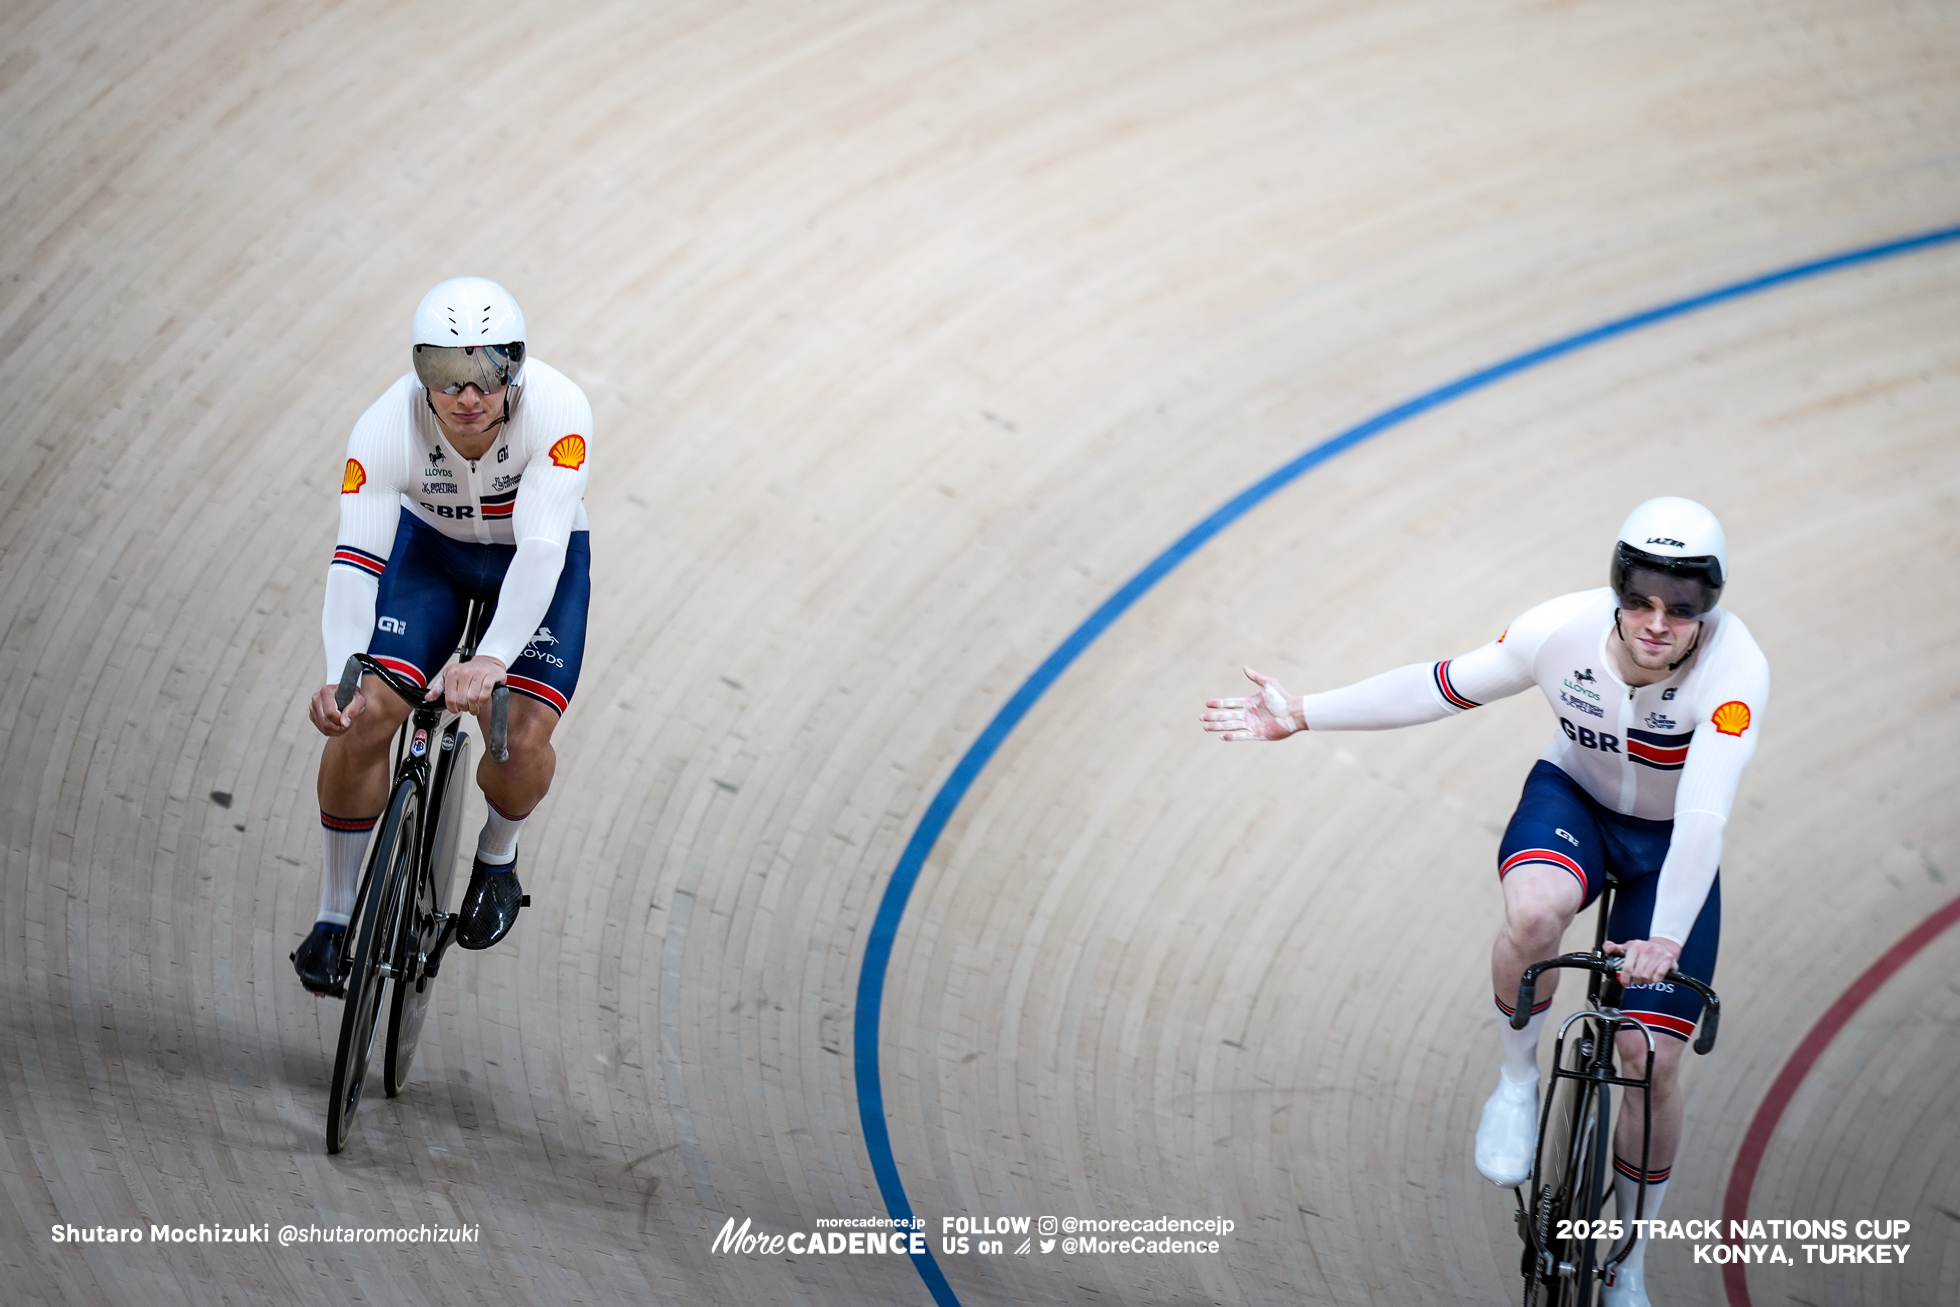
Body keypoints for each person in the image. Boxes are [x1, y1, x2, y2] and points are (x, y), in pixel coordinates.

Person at [1201, 497, 1766, 1307]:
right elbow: (1438, 687)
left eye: (1680, 608)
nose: (1655, 621)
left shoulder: (1736, 668)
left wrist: (1666, 939)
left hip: (1669, 848)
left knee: (1652, 1058)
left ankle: (1629, 1263)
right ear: (1617, 585)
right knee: (1535, 912)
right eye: (1639, 596)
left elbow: (1705, 816)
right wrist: (1305, 713)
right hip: (1575, 801)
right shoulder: (1558, 631)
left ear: (1707, 607)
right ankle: (1515, 1080)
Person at [292, 276, 593, 995]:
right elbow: (355, 562)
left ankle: (498, 856)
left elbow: (543, 552)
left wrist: (493, 657)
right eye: (444, 374)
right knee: (360, 720)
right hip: (430, 555)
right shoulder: (383, 427)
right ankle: (336, 919)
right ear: (419, 371)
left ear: (517, 366)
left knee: (517, 741)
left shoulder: (560, 411)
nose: (467, 395)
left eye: (489, 372)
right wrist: (343, 677)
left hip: (533, 564)